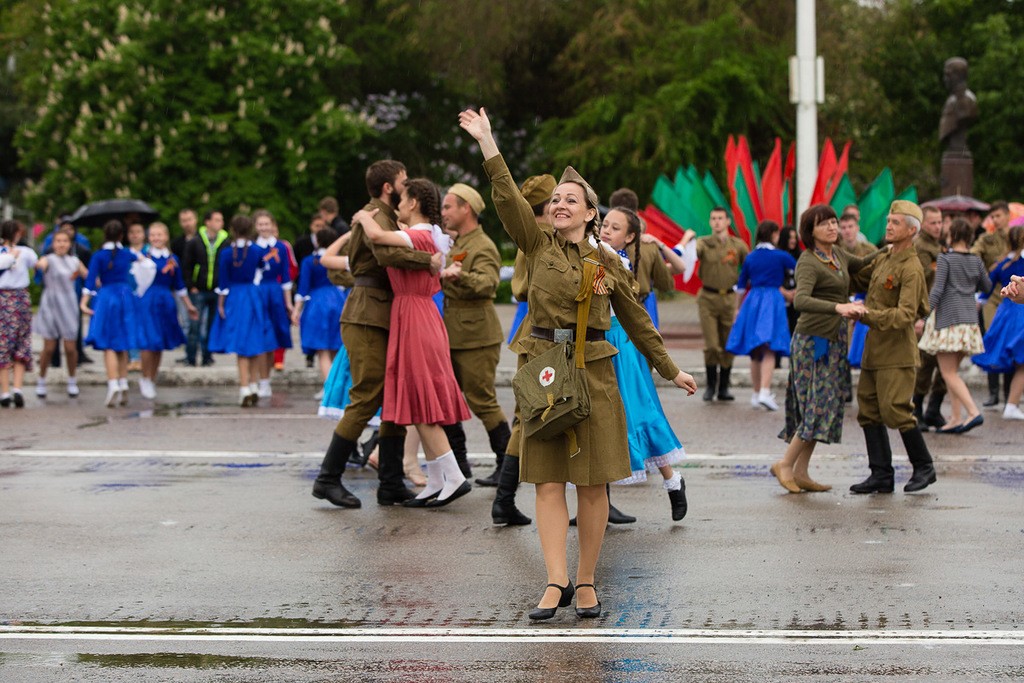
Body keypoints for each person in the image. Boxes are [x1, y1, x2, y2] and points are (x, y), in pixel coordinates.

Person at [460, 107, 697, 621]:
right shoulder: (535, 243)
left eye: (571, 200)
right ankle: (555, 581)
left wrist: (670, 369)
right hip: (546, 371)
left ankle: (586, 580)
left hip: (596, 373)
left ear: (591, 213)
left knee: (592, 484)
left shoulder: (608, 261)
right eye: (556, 200)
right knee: (547, 482)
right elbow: (507, 198)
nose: (560, 205)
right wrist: (487, 143)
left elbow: (636, 319)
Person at [311, 159, 442, 510]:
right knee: (367, 395)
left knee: (393, 397)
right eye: (402, 180)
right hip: (367, 315)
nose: (407, 185)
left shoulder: (383, 217)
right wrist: (427, 260)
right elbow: (386, 253)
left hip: (380, 313)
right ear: (388, 187)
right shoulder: (375, 217)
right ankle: (327, 478)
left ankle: (390, 483)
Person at [352, 178, 473, 507]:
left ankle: (453, 477)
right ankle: (436, 480)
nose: (398, 204)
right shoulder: (430, 235)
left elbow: (378, 236)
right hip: (421, 314)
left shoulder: (417, 235)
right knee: (421, 398)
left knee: (421, 399)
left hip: (414, 317)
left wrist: (363, 217)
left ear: (414, 202)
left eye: (403, 198)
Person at [771, 205, 876, 493]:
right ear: (810, 231)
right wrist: (838, 307)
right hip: (812, 341)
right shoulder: (808, 261)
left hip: (835, 338)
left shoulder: (837, 254)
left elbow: (863, 262)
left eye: (833, 221)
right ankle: (785, 464)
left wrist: (892, 249)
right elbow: (800, 300)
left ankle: (801, 471)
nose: (832, 227)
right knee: (815, 406)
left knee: (825, 404)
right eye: (824, 224)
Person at [599, 206, 690, 521]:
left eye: (615, 227)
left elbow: (669, 280)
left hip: (621, 341)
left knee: (636, 412)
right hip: (593, 341)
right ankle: (597, 504)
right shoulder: (589, 252)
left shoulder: (618, 261)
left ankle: (672, 480)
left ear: (630, 237)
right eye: (604, 224)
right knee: (597, 418)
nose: (606, 230)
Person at [850, 201, 937, 494]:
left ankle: (924, 467)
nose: (888, 226)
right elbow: (858, 279)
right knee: (868, 410)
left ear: (912, 230)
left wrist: (866, 315)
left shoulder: (911, 268)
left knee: (896, 410)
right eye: (888, 221)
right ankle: (881, 474)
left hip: (897, 352)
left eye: (895, 222)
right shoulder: (884, 257)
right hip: (875, 349)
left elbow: (905, 315)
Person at [493, 173, 557, 527]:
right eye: (557, 201)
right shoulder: (542, 238)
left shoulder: (533, 237)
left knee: (526, 416)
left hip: (534, 329)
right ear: (546, 207)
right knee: (530, 417)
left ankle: (504, 499)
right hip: (543, 332)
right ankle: (504, 498)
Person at [438, 182, 510, 487]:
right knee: (447, 399)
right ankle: (459, 464)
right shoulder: (458, 243)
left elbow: (487, 284)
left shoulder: (482, 245)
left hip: (477, 336)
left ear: (465, 208)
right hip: (455, 333)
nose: (443, 212)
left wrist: (460, 276)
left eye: (448, 206)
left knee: (482, 400)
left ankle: (507, 465)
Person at [917, 218, 989, 433]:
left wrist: (923, 316)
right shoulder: (976, 260)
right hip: (969, 321)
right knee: (952, 372)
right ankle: (956, 418)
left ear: (952, 236)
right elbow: (986, 286)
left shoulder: (945, 259)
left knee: (948, 373)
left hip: (948, 320)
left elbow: (937, 290)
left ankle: (973, 412)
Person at [725, 220, 797, 411]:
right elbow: (800, 270)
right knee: (770, 348)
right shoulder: (781, 256)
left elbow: (741, 287)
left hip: (753, 300)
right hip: (772, 300)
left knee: (756, 351)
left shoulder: (751, 257)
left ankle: (756, 394)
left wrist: (737, 310)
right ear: (773, 234)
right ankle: (765, 391)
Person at [80, 220, 152, 407]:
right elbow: (146, 264)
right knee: (123, 341)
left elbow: (90, 280)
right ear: (122, 235)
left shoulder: (99, 256)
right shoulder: (127, 253)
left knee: (108, 343)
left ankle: (113, 383)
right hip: (125, 296)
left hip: (106, 297)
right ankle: (124, 381)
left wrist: (84, 301)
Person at [207, 214, 277, 407]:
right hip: (253, 296)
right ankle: (254, 385)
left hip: (235, 298)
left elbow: (223, 283)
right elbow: (264, 267)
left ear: (232, 230)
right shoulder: (256, 250)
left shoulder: (226, 253)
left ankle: (244, 387)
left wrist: (221, 304)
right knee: (253, 342)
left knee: (241, 345)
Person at [136, 222, 198, 400]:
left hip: (165, 301)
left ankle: (152, 378)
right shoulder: (143, 257)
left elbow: (179, 285)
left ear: (166, 237)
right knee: (149, 342)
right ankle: (144, 377)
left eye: (159, 235)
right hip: (147, 301)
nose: (156, 238)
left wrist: (188, 305)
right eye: (153, 235)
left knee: (159, 344)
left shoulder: (172, 259)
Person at [696, 207, 749, 401]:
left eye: (720, 218)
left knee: (728, 344)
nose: (717, 222)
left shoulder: (738, 245)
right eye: (713, 218)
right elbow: (694, 253)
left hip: (729, 299)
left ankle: (724, 387)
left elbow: (749, 267)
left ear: (728, 221)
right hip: (708, 298)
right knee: (712, 345)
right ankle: (711, 386)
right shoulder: (704, 243)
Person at [973, 226, 1024, 419]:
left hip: (1006, 312)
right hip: (1019, 313)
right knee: (1020, 360)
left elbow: (985, 291)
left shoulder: (1002, 264)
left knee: (1013, 357)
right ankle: (1010, 403)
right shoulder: (1018, 262)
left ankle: (1005, 400)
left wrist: (978, 304)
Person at [33, 228, 88, 399]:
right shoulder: (48, 259)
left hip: (69, 304)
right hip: (50, 303)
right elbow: (40, 265)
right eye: (58, 241)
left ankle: (72, 380)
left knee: (70, 347)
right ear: (53, 244)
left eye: (65, 241)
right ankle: (41, 380)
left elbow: (89, 277)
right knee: (49, 347)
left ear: (70, 244)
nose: (61, 244)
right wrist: (38, 266)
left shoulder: (75, 261)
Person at [292, 226, 346, 387]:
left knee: (322, 350)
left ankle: (329, 389)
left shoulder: (309, 261)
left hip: (317, 303)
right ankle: (339, 387)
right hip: (339, 300)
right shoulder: (339, 259)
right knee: (336, 347)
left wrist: (296, 310)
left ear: (317, 241)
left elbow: (303, 288)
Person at [972, 201, 1012, 408]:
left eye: (998, 216)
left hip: (1014, 297)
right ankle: (993, 393)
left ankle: (1009, 394)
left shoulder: (1017, 236)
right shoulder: (986, 239)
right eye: (993, 217)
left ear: (1007, 215)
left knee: (1010, 343)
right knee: (992, 338)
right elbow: (973, 256)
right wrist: (987, 271)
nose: (995, 220)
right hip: (992, 297)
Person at [913, 205, 949, 430]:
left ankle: (934, 408)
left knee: (945, 360)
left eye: (940, 222)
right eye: (933, 222)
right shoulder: (920, 246)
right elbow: (921, 282)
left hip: (941, 310)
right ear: (923, 223)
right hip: (925, 309)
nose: (937, 226)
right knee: (926, 361)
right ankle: (916, 408)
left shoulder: (939, 246)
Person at [253, 210, 294, 398]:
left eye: (266, 224)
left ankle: (266, 380)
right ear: (255, 227)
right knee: (261, 337)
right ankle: (260, 380)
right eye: (260, 224)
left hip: (275, 294)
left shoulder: (281, 247)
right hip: (258, 292)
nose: (264, 227)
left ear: (272, 225)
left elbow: (285, 276)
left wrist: (288, 303)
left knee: (274, 338)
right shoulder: (253, 248)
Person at [0, 220, 39, 407]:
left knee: (5, 343)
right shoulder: (24, 252)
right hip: (19, 298)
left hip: (6, 299)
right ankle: (16, 389)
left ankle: (7, 392)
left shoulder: (22, 252)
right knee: (19, 342)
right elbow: (38, 265)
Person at [183, 210, 229, 367]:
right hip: (199, 290)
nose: (220, 223)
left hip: (216, 290)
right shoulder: (195, 242)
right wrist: (191, 286)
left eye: (221, 220)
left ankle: (207, 356)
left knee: (211, 326)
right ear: (207, 222)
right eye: (217, 220)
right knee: (194, 325)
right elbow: (187, 266)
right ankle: (190, 357)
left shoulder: (225, 242)